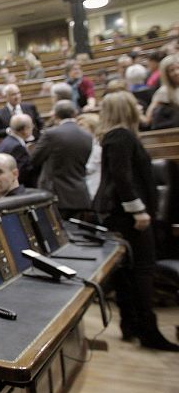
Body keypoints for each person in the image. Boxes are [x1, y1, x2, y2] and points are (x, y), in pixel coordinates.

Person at [93, 91, 178, 351]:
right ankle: (148, 331)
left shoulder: (116, 136)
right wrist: (138, 211)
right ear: (126, 109)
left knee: (127, 273)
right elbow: (122, 179)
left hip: (122, 215)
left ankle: (131, 325)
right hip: (129, 218)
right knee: (141, 270)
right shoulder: (122, 135)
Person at [31, 100, 93, 219]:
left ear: (55, 115)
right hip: (80, 194)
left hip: (57, 195)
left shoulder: (51, 134)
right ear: (75, 113)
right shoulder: (87, 135)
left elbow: (35, 160)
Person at [0, 113, 36, 187]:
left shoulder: (7, 141)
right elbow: (22, 173)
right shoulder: (17, 147)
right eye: (31, 126)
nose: (33, 127)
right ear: (25, 130)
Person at [145, 54, 179, 129]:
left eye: (178, 68)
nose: (176, 72)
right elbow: (149, 118)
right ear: (166, 74)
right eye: (172, 70)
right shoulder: (163, 91)